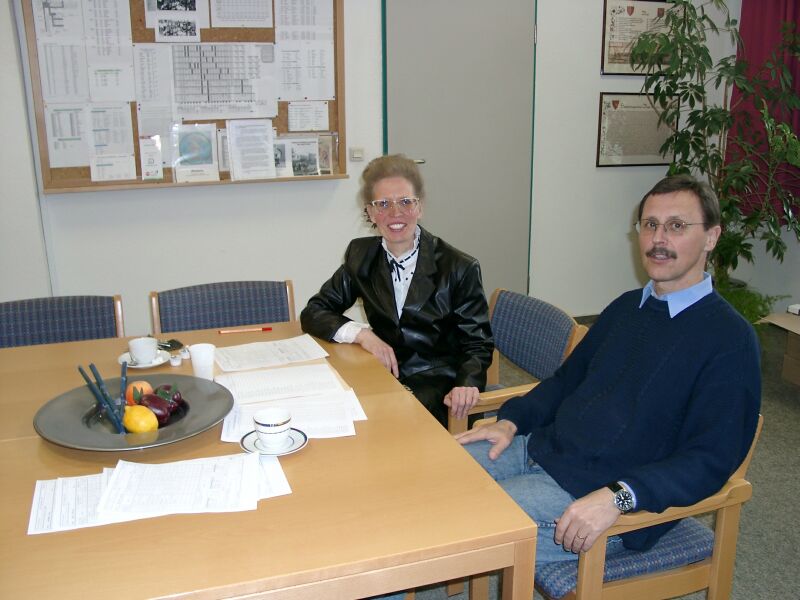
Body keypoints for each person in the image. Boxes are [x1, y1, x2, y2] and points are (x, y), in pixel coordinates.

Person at [456, 174, 761, 566]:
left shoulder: (729, 340)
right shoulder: (627, 307)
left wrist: (621, 495)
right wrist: (510, 422)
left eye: (676, 226)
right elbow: (567, 382)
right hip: (540, 449)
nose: (658, 239)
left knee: (446, 526)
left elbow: (711, 459)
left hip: (599, 502)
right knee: (431, 482)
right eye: (650, 225)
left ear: (711, 237)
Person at [301, 154, 494, 425]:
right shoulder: (361, 256)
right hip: (382, 375)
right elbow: (314, 311)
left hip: (440, 386)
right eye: (383, 204)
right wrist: (363, 335)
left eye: (405, 202)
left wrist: (468, 383)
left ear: (419, 207)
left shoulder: (458, 267)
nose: (395, 213)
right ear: (370, 212)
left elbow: (478, 343)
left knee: (377, 426)